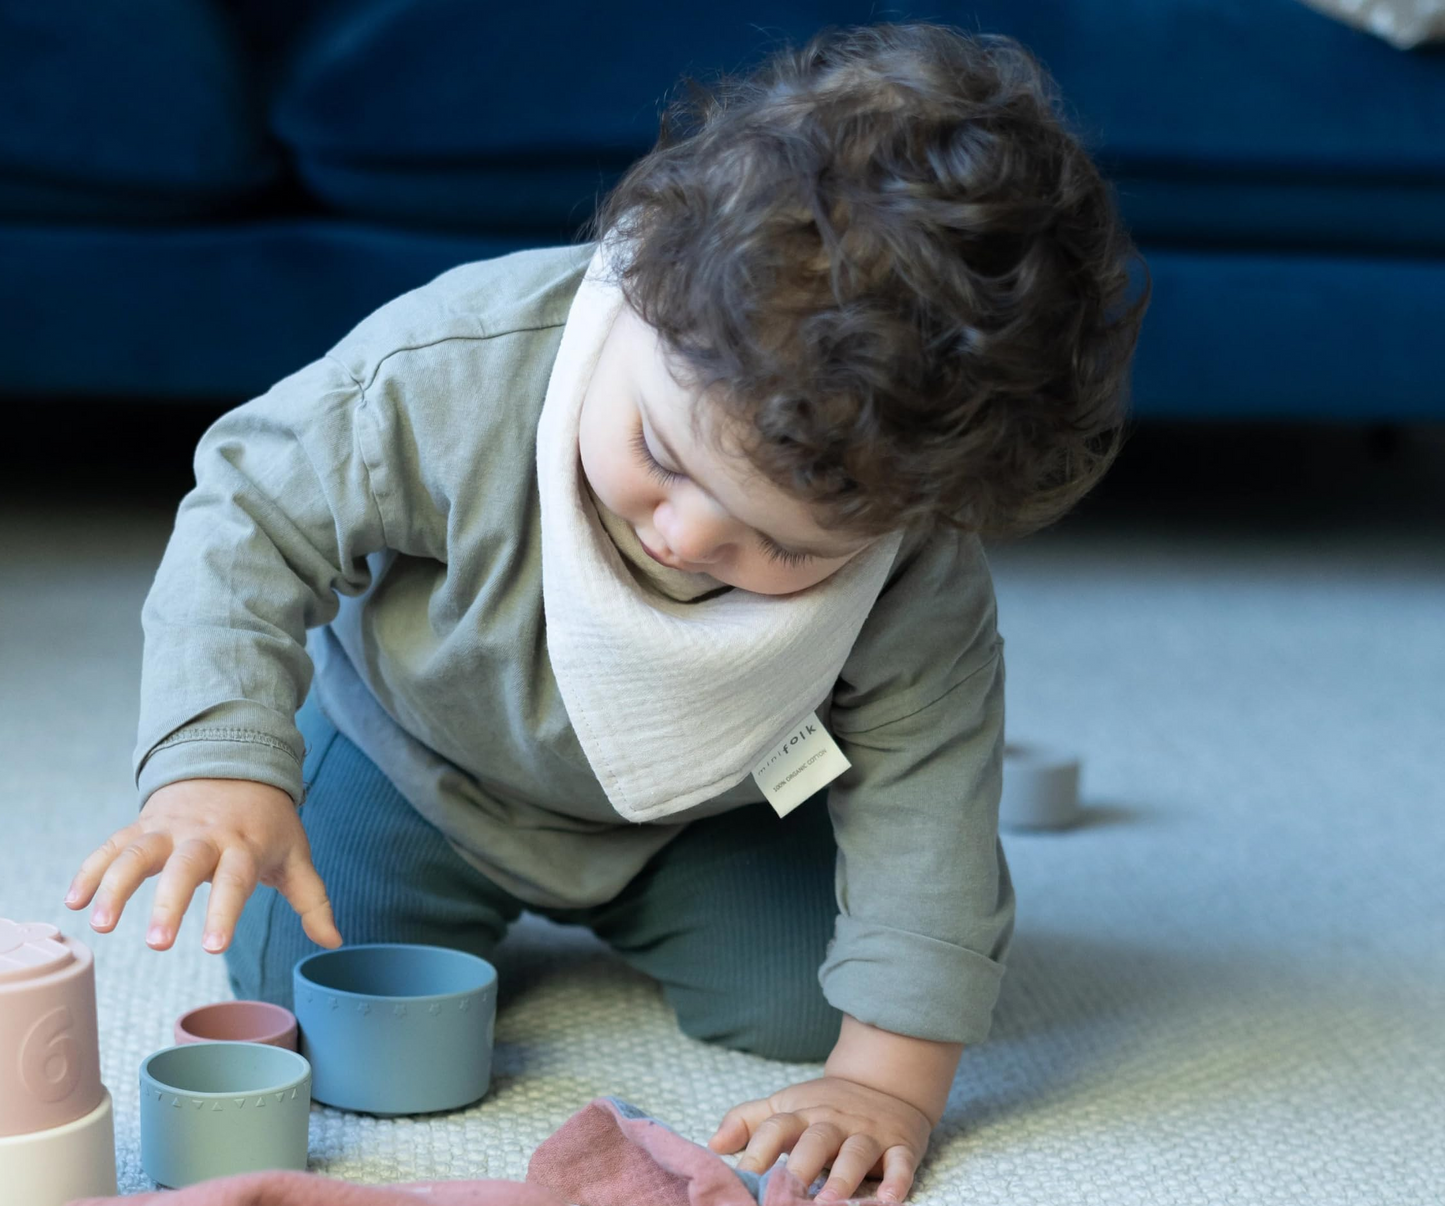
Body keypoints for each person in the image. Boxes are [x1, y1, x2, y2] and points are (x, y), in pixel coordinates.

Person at [63, 22, 1147, 1203]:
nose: (684, 538)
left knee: (812, 1011)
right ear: (637, 281)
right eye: (657, 454)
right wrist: (220, 767)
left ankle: (685, 912)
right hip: (415, 764)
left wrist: (885, 1079)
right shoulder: (457, 370)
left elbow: (928, 799)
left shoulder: (914, 571)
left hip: (705, 813)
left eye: (777, 543)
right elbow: (250, 517)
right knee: (310, 996)